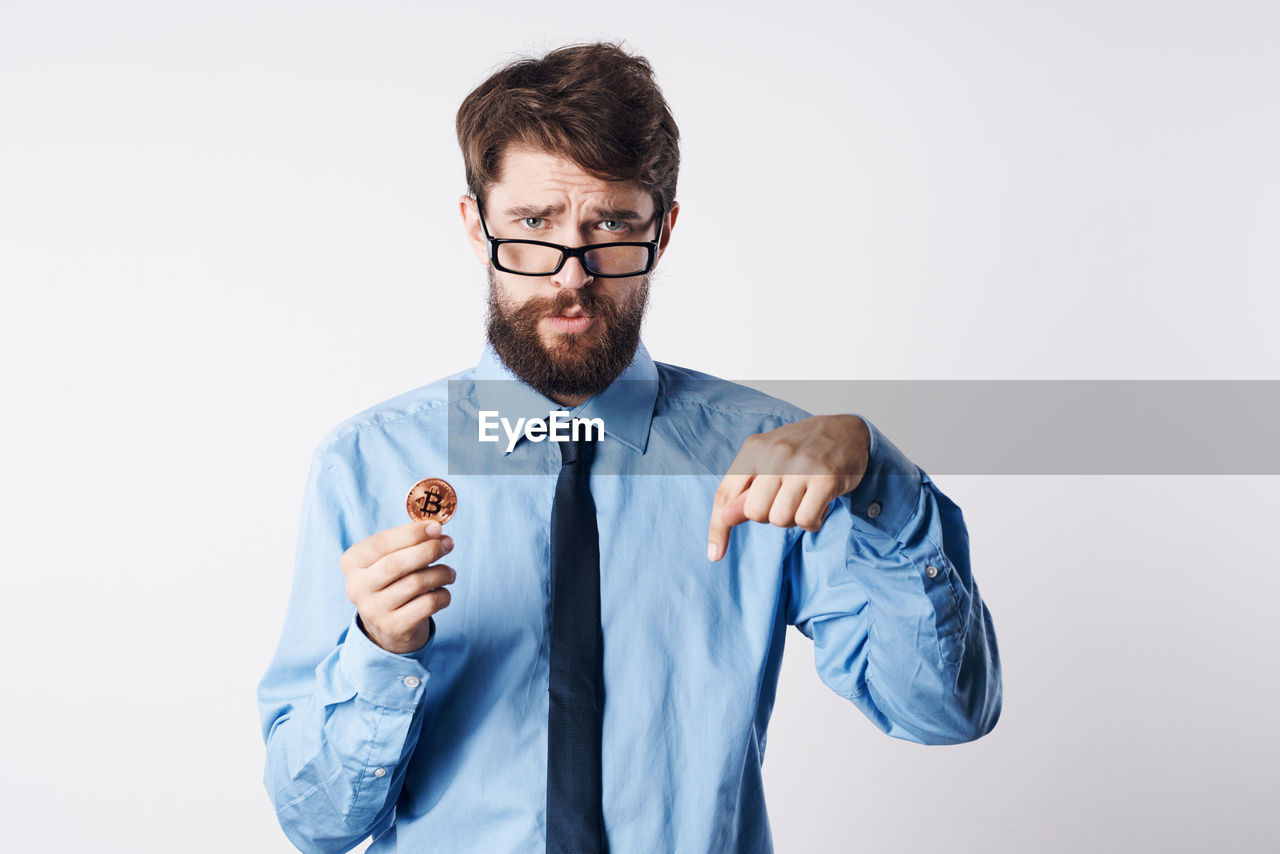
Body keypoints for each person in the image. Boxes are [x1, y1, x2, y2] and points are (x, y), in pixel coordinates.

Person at [257, 41, 1002, 854]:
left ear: (664, 230)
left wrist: (877, 474)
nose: (571, 275)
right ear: (477, 227)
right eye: (534, 225)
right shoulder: (369, 466)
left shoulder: (773, 459)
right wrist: (379, 650)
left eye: (609, 225)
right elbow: (319, 826)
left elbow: (946, 711)